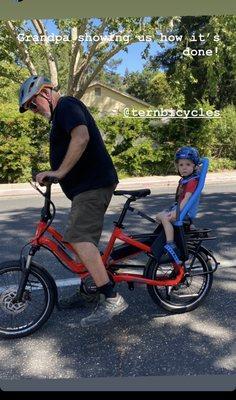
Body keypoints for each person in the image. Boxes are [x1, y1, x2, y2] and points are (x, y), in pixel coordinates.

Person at [19, 75, 128, 327]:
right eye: (30, 109)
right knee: (79, 241)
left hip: (93, 185)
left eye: (33, 105)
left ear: (45, 93)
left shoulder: (66, 105)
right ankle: (88, 291)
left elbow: (81, 138)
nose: (34, 111)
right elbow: (72, 148)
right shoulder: (60, 115)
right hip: (85, 188)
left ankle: (111, 298)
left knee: (78, 237)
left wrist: (59, 172)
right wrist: (54, 174)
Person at [155, 146, 200, 264]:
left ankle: (171, 245)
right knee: (159, 216)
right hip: (180, 208)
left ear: (194, 166)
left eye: (188, 164)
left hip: (184, 211)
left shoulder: (191, 181)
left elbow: (186, 199)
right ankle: (186, 227)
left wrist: (176, 213)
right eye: (181, 165)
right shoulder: (185, 180)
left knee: (165, 218)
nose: (184, 167)